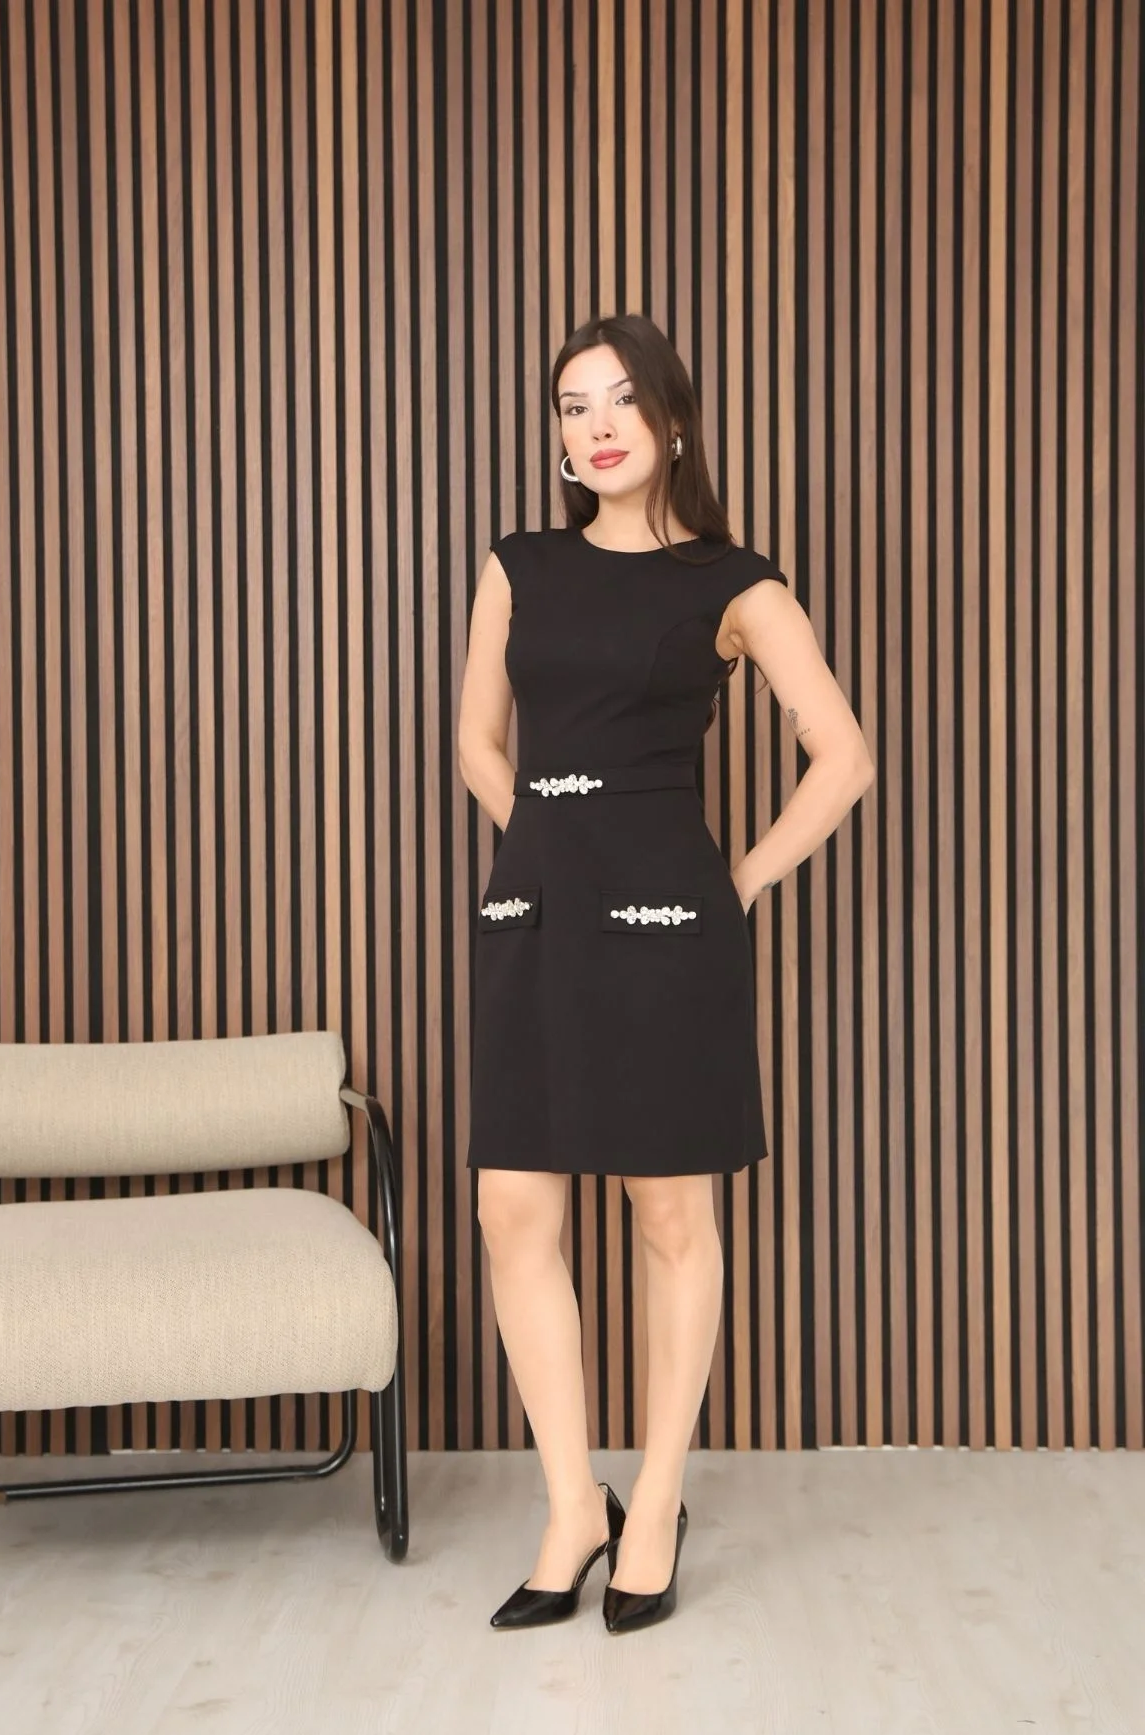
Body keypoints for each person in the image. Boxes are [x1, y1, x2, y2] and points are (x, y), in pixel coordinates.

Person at [457, 313, 874, 1633]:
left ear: (673, 420)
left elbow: (843, 755)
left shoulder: (733, 584)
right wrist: (544, 845)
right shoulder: (519, 564)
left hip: (664, 926)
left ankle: (655, 1502)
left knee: (668, 1217)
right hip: (536, 915)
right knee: (512, 1212)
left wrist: (735, 882)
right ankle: (570, 1506)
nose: (597, 426)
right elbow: (478, 741)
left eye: (622, 400)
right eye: (573, 405)